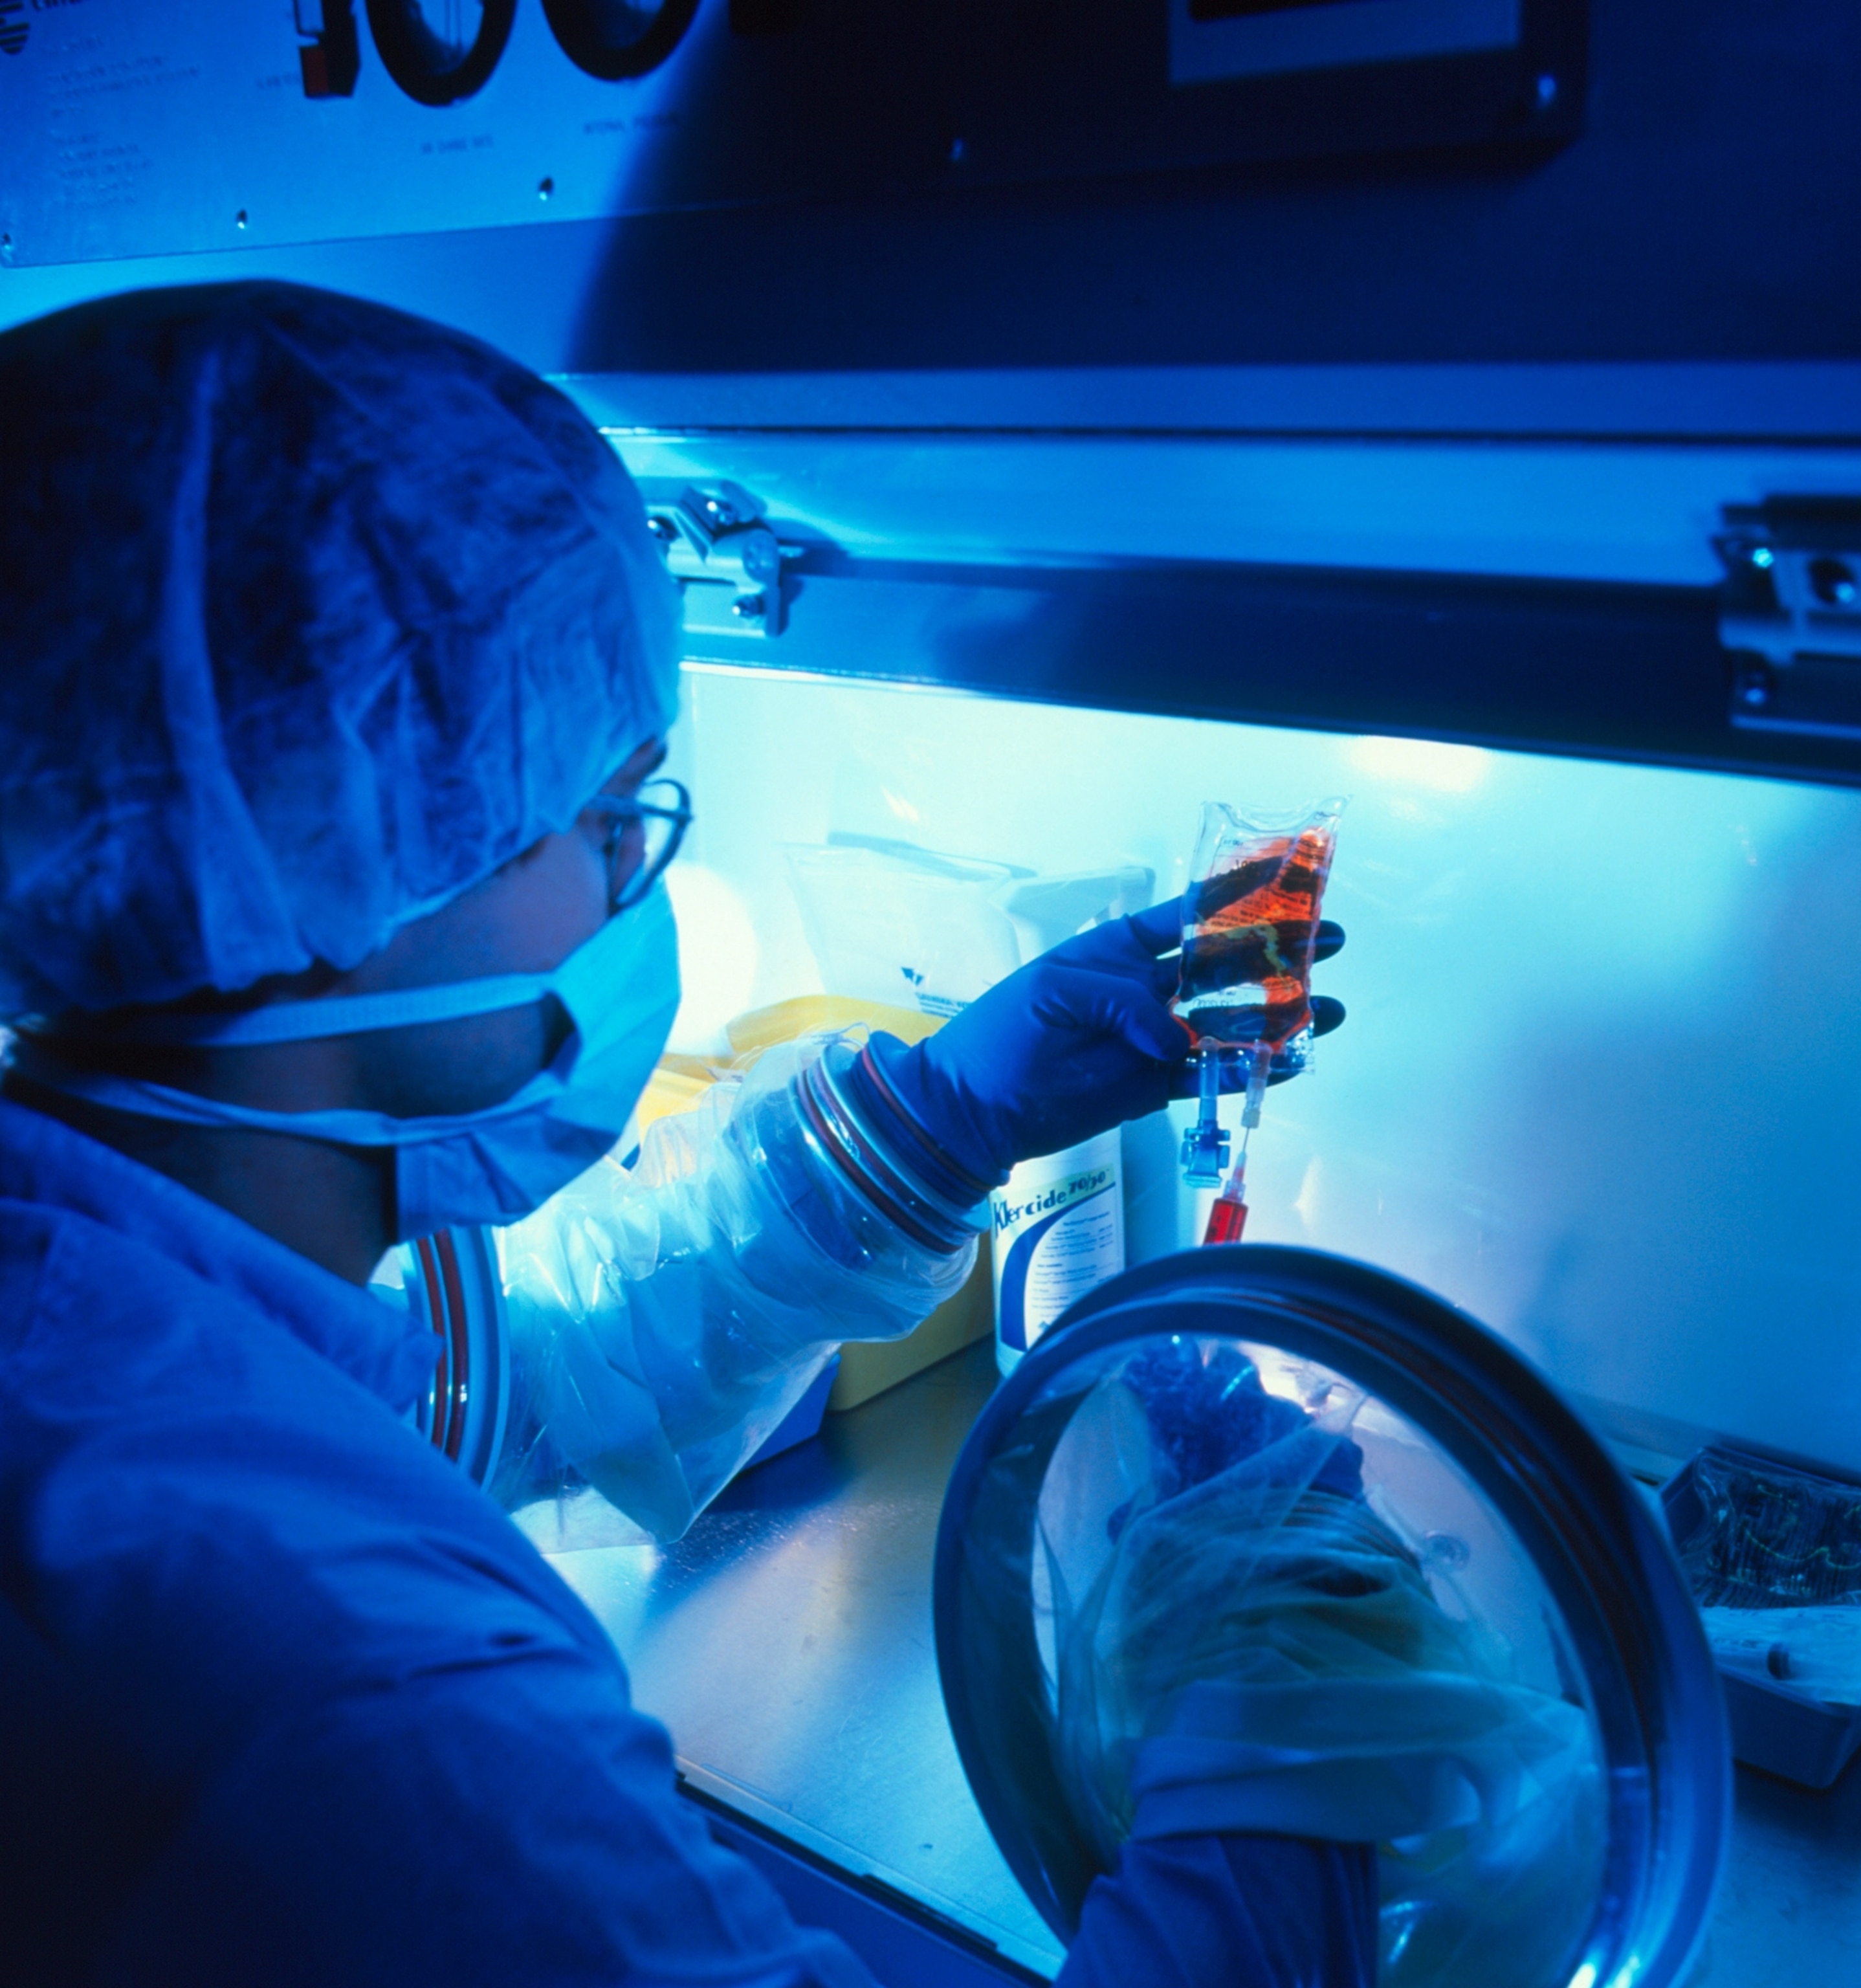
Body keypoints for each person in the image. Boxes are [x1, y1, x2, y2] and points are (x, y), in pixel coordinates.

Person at [0, 282, 1368, 1987]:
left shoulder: (102, 1292)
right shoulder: (359, 1690)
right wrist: (1295, 1745)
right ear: (351, 865)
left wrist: (930, 1120)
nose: (632, 887)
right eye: (606, 819)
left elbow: (503, 1373)